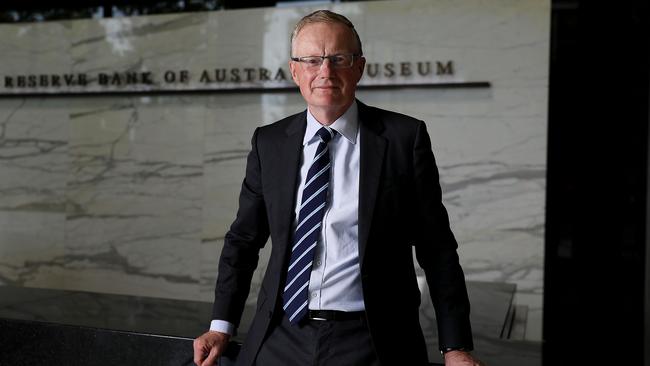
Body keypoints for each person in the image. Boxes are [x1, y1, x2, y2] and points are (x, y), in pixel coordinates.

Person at [194, 9, 483, 366]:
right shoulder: (269, 143)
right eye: (312, 60)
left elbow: (437, 249)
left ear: (359, 67)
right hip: (280, 335)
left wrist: (455, 347)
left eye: (338, 59)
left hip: (372, 341)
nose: (325, 72)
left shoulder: (403, 140)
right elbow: (243, 241)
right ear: (295, 70)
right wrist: (221, 326)